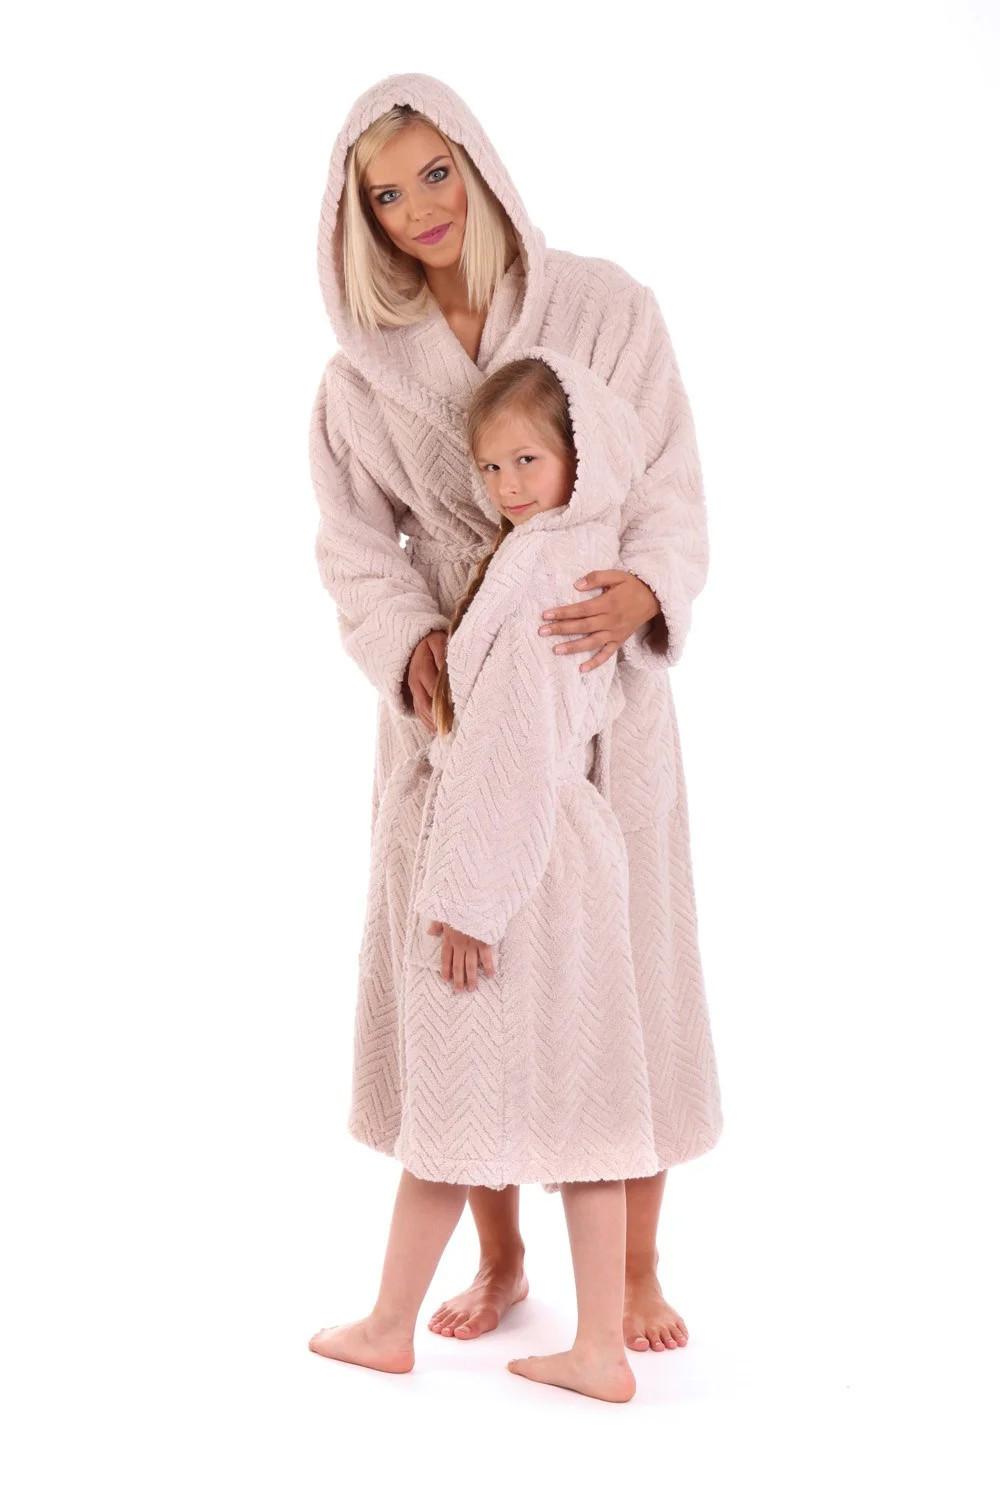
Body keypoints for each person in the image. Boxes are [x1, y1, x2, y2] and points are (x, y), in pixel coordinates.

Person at [310, 70, 722, 1358]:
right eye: (386, 196)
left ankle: (635, 1270)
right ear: (360, 220)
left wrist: (644, 588)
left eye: (435, 173)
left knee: (626, 968)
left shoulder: (606, 307)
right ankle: (499, 1260)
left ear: (479, 164)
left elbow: (669, 483)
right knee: (465, 976)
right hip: (457, 706)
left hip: (598, 679)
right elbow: (353, 548)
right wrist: (410, 641)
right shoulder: (356, 382)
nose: (419, 209)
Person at [311, 349, 673, 1402]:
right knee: (593, 1110)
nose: (509, 484)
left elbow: (507, 756)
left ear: (580, 458)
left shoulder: (534, 580)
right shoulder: (580, 558)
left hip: (514, 866)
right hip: (574, 856)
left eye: (529, 459)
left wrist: (467, 903)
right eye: (491, 465)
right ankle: (596, 1348)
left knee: (450, 1101)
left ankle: (388, 1326)